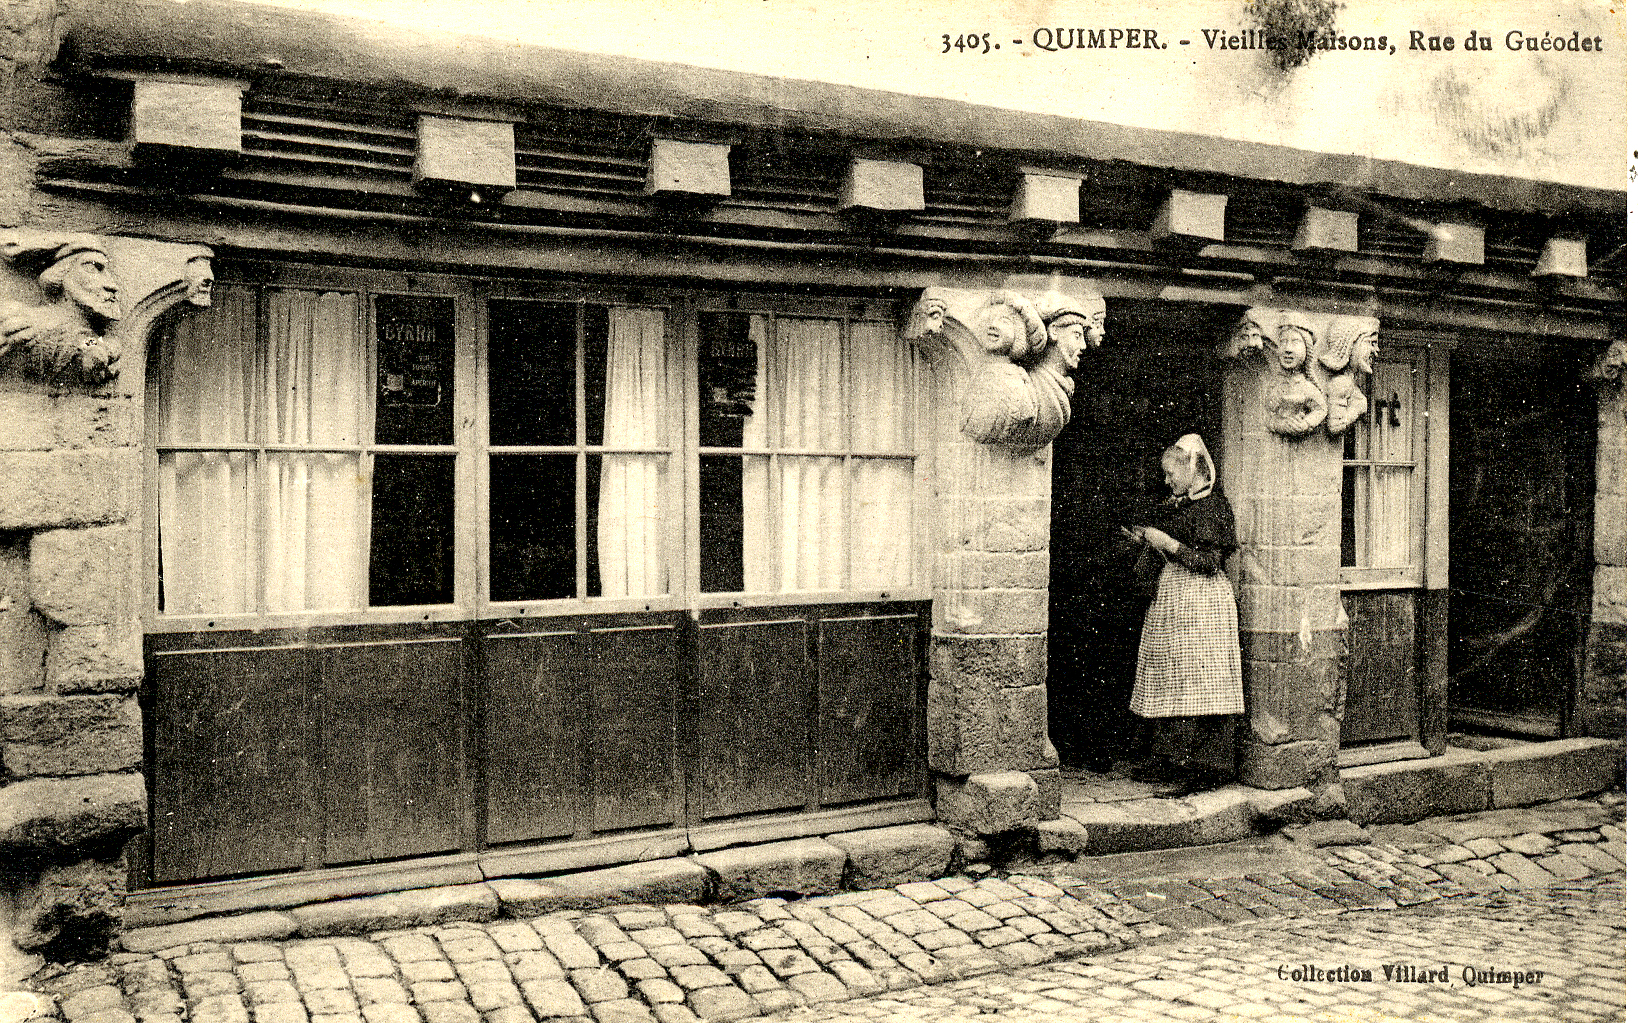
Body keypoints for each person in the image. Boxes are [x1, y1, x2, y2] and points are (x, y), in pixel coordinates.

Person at [1121, 434, 1244, 791]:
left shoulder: (1214, 507)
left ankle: (1203, 769)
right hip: (1175, 599)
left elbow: (1209, 562)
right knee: (1171, 676)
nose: (1166, 480)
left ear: (1192, 469)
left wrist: (1167, 543)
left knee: (1199, 681)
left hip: (1203, 603)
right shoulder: (1180, 505)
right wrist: (1147, 539)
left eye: (1170, 473)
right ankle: (1171, 760)